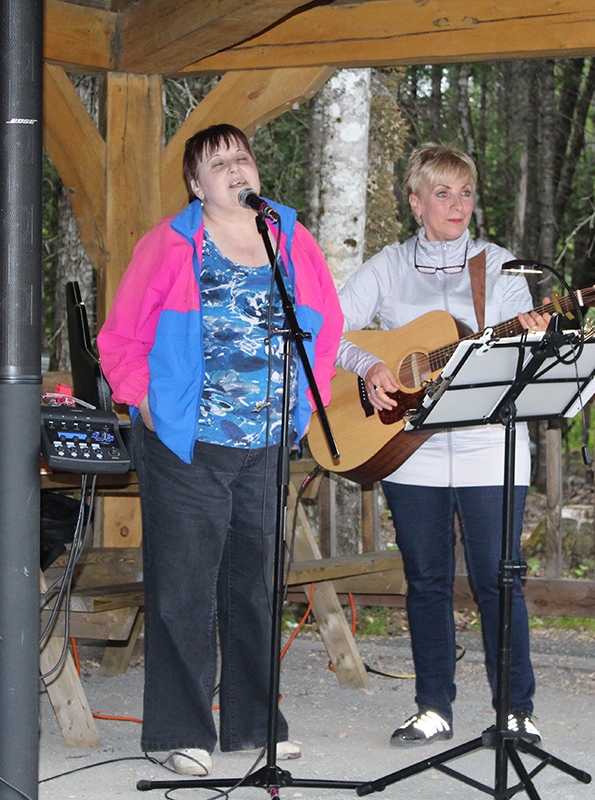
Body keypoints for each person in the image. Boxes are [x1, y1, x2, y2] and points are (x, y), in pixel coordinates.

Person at [96, 123, 344, 777]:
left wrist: (302, 406)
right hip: (188, 444)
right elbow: (120, 337)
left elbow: (326, 326)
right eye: (217, 164)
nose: (235, 171)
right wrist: (145, 403)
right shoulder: (171, 244)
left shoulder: (291, 239)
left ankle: (254, 727)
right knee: (184, 588)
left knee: (255, 588)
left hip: (266, 444)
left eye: (242, 159)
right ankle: (179, 732)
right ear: (196, 185)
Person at [335, 144, 551, 748]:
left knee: (498, 580)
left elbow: (522, 362)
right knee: (426, 580)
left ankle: (516, 710)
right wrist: (369, 366)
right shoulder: (388, 266)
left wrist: (534, 337)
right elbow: (326, 328)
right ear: (415, 202)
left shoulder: (499, 266)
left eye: (465, 192)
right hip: (409, 446)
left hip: (490, 445)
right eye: (442, 193)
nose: (457, 204)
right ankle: (433, 706)